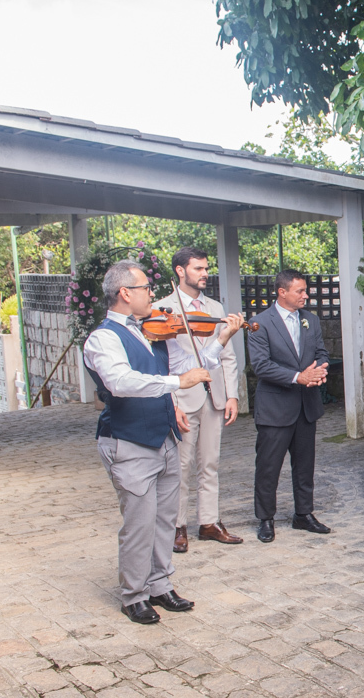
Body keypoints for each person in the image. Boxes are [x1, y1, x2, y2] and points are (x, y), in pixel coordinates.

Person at [84, 259, 245, 624]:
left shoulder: (153, 331)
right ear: (125, 293)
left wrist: (220, 339)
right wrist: (178, 384)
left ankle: (159, 584)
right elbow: (122, 382)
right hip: (128, 440)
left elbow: (194, 366)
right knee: (139, 521)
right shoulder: (103, 338)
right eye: (145, 288)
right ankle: (134, 595)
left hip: (164, 437)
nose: (152, 295)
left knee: (164, 518)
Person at [153, 247, 244, 553]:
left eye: (206, 268)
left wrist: (232, 395)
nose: (205, 274)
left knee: (211, 463)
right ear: (180, 271)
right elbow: (161, 363)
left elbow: (227, 357)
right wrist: (171, 402)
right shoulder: (162, 309)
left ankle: (209, 522)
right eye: (198, 269)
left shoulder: (215, 307)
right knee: (180, 465)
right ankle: (176, 526)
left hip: (214, 396)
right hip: (181, 398)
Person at [248, 269, 332, 543]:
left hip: (306, 405)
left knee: (305, 464)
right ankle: (266, 518)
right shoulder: (260, 323)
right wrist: (299, 377)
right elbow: (260, 365)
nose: (305, 295)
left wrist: (320, 370)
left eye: (305, 290)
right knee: (268, 467)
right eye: (300, 291)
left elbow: (321, 352)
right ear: (282, 292)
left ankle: (303, 514)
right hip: (275, 407)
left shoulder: (311, 320)